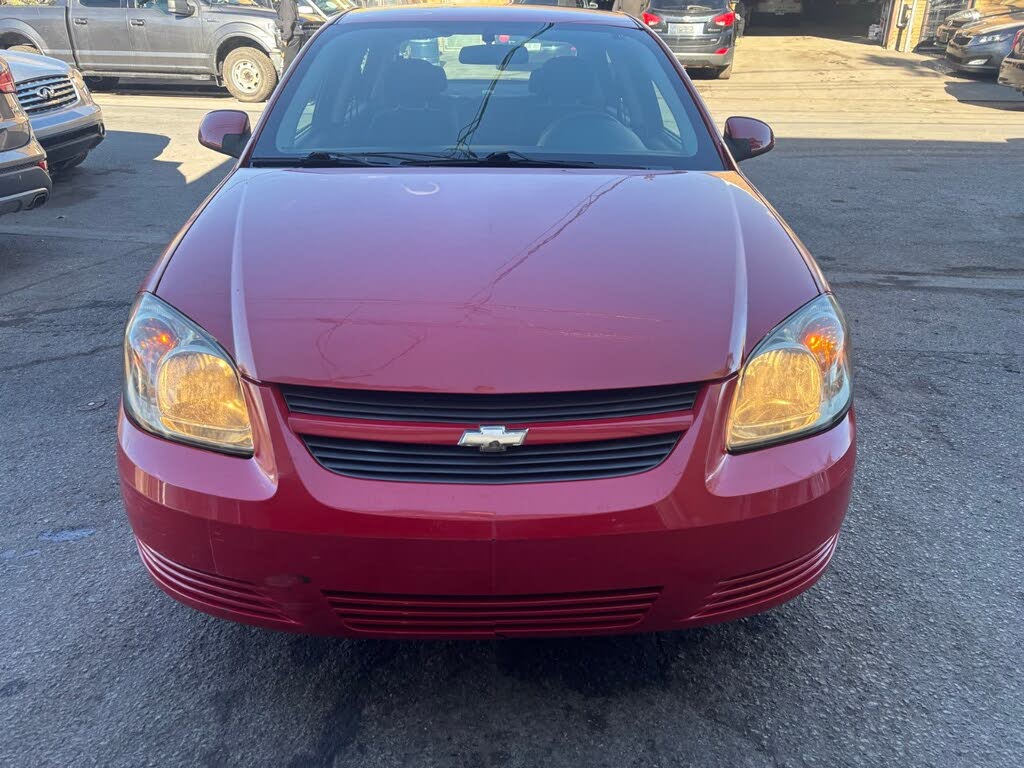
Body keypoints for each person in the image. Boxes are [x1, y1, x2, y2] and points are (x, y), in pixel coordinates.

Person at [277, 0, 302, 68]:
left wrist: (285, 38)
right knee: (294, 64)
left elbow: (288, 20)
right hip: (295, 35)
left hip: (292, 37)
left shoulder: (286, 2)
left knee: (289, 66)